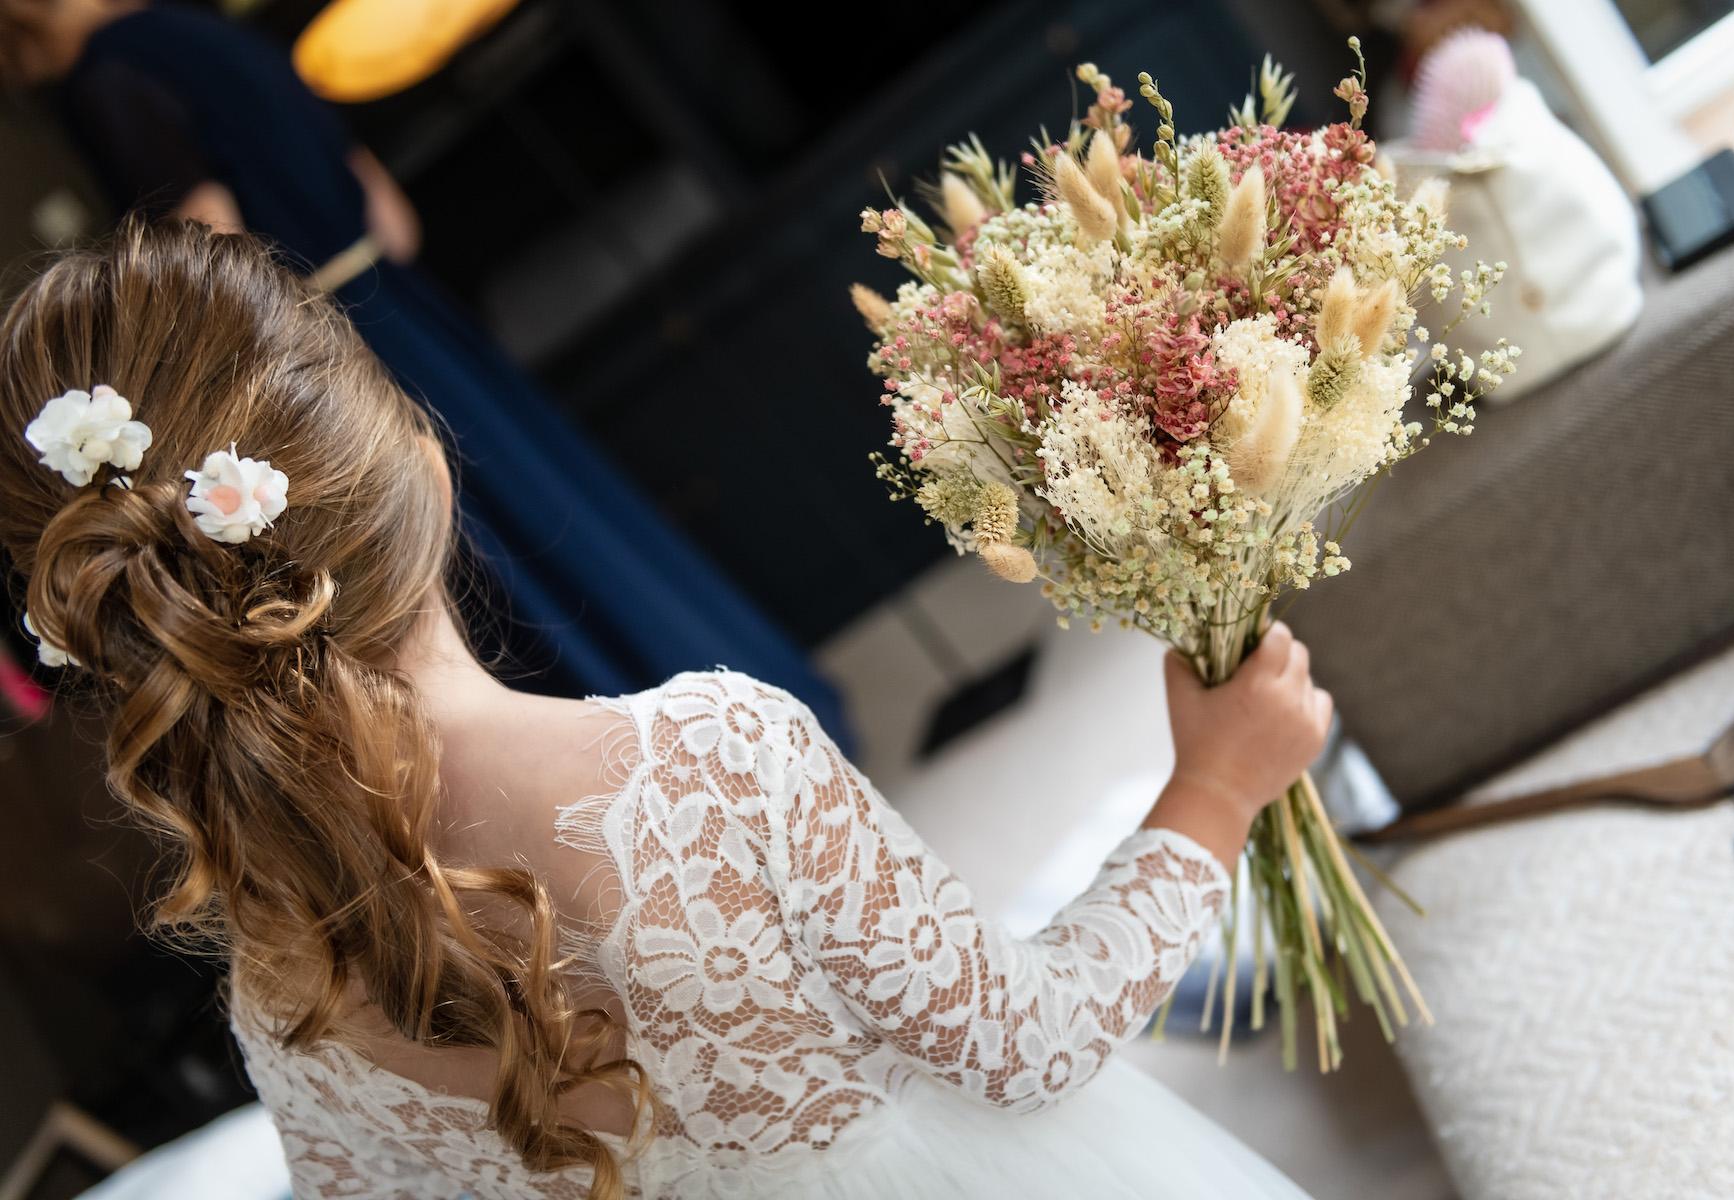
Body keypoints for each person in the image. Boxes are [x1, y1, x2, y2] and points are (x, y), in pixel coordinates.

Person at [0, 225, 1331, 1197]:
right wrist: (1216, 786)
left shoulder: (278, 998)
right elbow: (1025, 1045)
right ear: (418, 462)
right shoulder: (713, 759)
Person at [0, 0, 848, 734]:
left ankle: (659, 767)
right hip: (410, 312)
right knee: (565, 512)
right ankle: (751, 709)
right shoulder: (206, 36)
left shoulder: (103, 85)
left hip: (344, 353)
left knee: (491, 563)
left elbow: (217, 246)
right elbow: (393, 219)